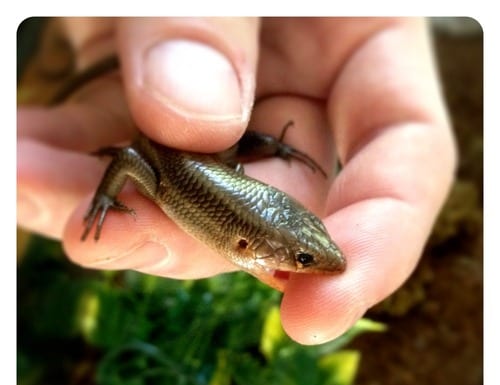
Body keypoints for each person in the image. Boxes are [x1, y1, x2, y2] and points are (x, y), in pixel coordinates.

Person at [17, 17, 456, 345]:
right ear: (244, 245)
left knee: (227, 147)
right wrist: (103, 196)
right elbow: (132, 157)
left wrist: (277, 148)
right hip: (174, 135)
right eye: (302, 258)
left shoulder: (201, 199)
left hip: (206, 155)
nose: (313, 264)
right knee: (218, 137)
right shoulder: (169, 187)